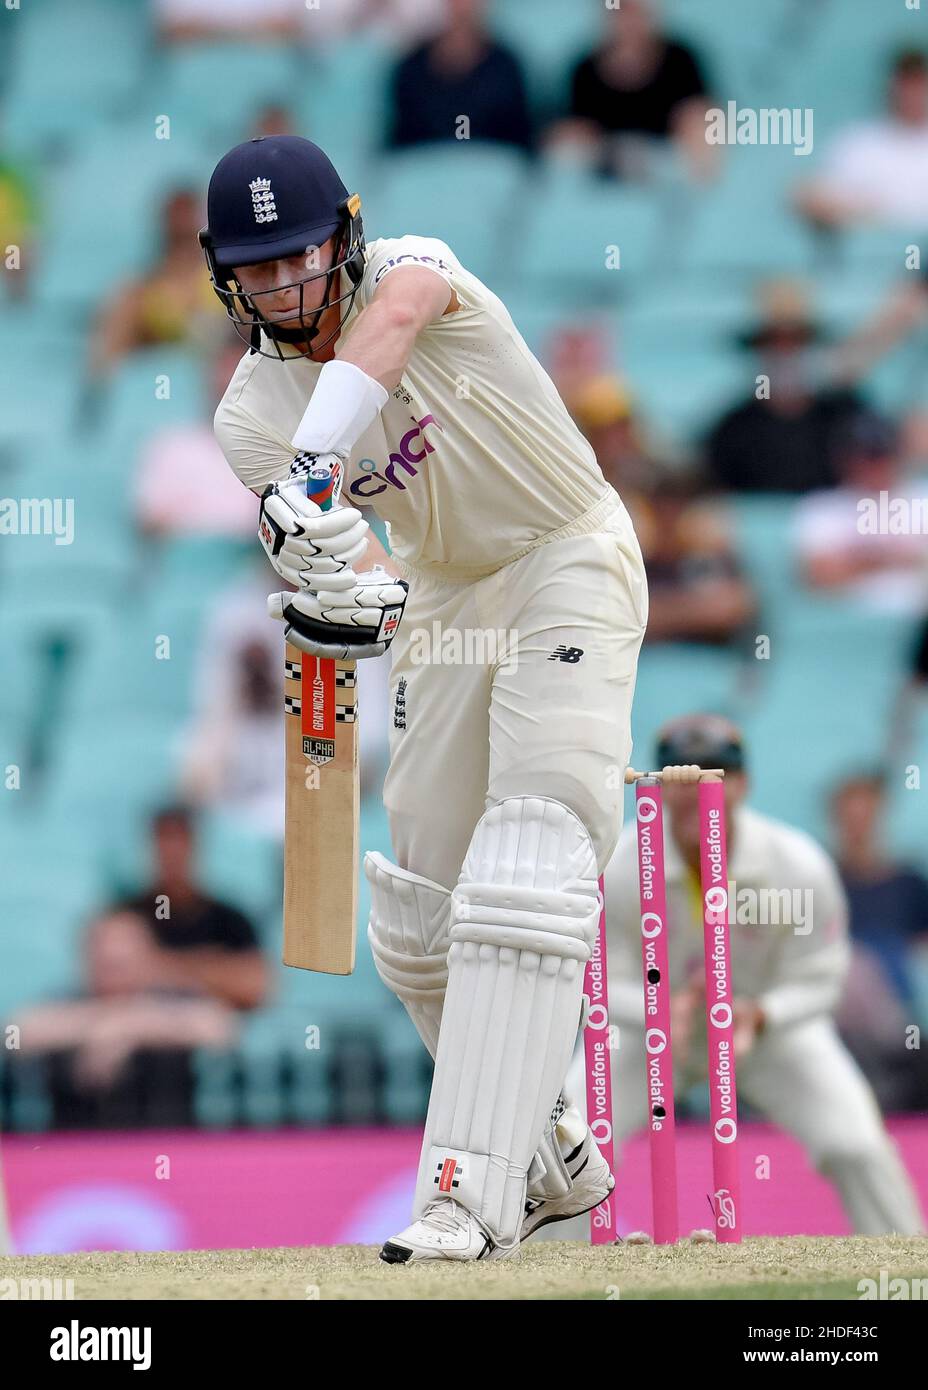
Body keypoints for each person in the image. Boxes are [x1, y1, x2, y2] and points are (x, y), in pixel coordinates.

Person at [201, 133, 648, 1261]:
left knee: (533, 846)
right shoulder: (246, 414)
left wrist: (307, 476)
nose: (278, 288)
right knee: (417, 925)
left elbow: (384, 336)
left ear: (344, 238)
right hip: (447, 600)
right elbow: (335, 569)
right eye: (253, 270)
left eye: (296, 259)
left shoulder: (416, 268)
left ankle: (466, 1198)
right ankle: (551, 1157)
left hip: (565, 554)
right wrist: (326, 586)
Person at [581, 716, 924, 1237]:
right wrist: (658, 1012)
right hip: (649, 1033)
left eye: (716, 774)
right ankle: (542, 1278)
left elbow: (820, 977)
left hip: (768, 1031)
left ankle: (909, 1272)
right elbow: (597, 982)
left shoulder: (796, 864)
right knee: (571, 1141)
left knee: (855, 1143)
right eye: (682, 778)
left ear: (743, 784)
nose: (697, 791)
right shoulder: (620, 865)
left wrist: (763, 1013)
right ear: (657, 787)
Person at [704, 280, 865, 494]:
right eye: (773, 344)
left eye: (796, 342)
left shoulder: (848, 417)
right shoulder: (732, 431)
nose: (784, 355)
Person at [550, 0, 708, 177]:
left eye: (636, 11)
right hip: (605, 168)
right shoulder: (584, 69)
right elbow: (567, 132)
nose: (628, 20)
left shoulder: (680, 61)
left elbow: (702, 117)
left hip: (670, 165)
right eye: (621, 10)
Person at [796, 50, 928, 229]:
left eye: (919, 85)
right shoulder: (857, 143)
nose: (913, 95)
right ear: (892, 86)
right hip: (874, 252)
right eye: (907, 85)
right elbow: (814, 198)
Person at [386, 0, 533, 152]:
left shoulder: (506, 66)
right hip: (427, 168)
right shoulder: (412, 68)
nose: (462, 5)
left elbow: (521, 137)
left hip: (490, 168)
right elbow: (401, 141)